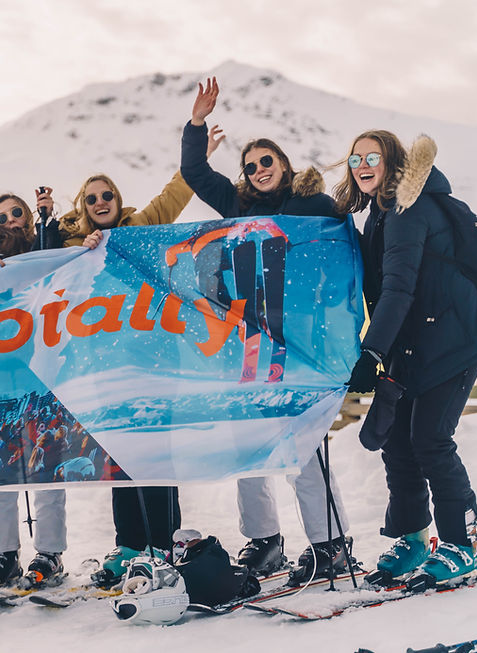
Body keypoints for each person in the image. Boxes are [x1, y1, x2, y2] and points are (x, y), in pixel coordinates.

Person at [182, 77, 352, 583]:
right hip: (248, 344)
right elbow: (194, 172)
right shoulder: (238, 208)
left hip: (300, 346)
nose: (258, 170)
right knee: (249, 443)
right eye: (250, 165)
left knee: (303, 446)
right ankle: (264, 541)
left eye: (266, 161)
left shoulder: (314, 208)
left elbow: (342, 260)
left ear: (284, 163)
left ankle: (331, 544)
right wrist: (196, 123)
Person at [336, 130, 477, 584]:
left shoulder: (408, 211)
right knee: (397, 441)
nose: (362, 165)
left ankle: (463, 543)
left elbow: (398, 288)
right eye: (355, 159)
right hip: (415, 342)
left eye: (372, 157)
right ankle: (412, 539)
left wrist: (372, 350)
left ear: (392, 161)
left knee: (430, 438)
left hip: (454, 338)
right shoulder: (382, 213)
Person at [56, 165, 197, 587]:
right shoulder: (77, 247)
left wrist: (197, 155)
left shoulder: (140, 228)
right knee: (118, 458)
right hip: (108, 367)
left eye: (107, 196)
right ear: (84, 208)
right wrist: (79, 249)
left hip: (155, 361)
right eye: (92, 199)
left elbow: (174, 195)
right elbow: (44, 264)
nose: (101, 203)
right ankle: (130, 546)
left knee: (155, 456)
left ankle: (162, 545)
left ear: (118, 200)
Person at [0, 190, 70, 589]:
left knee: (46, 466)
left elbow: (66, 270)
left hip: (41, 374)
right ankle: (4, 553)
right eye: (2, 216)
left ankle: (50, 552)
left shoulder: (46, 247)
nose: (11, 220)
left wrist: (48, 223)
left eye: (17, 212)